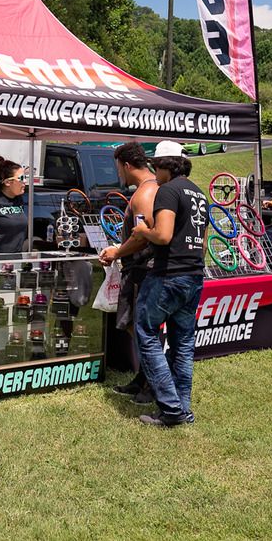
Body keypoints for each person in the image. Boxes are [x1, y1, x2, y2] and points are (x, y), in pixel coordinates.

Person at [131, 140, 208, 426]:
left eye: (156, 166)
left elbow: (163, 236)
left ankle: (171, 408)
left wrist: (143, 230)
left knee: (146, 333)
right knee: (183, 344)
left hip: (168, 275)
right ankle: (183, 408)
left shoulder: (167, 191)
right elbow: (202, 245)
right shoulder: (199, 193)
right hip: (194, 275)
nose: (154, 171)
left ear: (166, 165)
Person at [98, 142, 158, 400]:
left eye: (118, 168)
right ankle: (142, 379)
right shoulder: (150, 188)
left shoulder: (145, 193)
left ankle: (152, 386)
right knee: (136, 327)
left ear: (126, 165)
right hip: (142, 269)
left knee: (141, 329)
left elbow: (142, 237)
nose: (118, 174)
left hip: (141, 271)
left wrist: (117, 252)